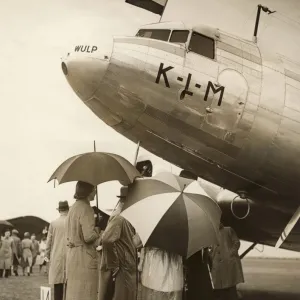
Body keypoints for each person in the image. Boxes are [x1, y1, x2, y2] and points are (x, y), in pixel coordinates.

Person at [98, 186, 140, 300]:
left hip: (126, 265)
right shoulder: (120, 217)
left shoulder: (124, 215)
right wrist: (114, 264)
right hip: (123, 266)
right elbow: (107, 240)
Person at [65, 181, 101, 300]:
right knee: (87, 293)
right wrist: (97, 229)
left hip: (72, 255)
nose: (95, 192)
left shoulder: (73, 208)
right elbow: (88, 237)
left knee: (74, 293)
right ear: (88, 191)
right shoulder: (86, 209)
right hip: (84, 256)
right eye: (94, 189)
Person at [210, 224, 244, 300]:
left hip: (228, 263)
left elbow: (237, 242)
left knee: (231, 288)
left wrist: (230, 253)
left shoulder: (228, 230)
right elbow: (211, 248)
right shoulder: (211, 233)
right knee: (218, 288)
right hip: (217, 264)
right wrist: (211, 256)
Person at [46, 200, 69, 300]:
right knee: (69, 284)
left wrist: (47, 255)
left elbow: (49, 242)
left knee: (58, 284)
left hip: (56, 255)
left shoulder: (53, 223)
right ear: (68, 209)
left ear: (59, 210)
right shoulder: (71, 222)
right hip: (70, 254)